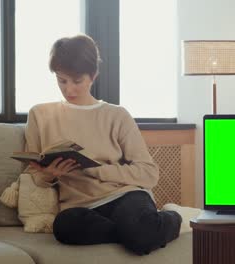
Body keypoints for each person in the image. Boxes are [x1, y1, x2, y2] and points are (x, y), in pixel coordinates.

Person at [24, 34, 182, 255]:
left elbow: (149, 173)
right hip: (81, 207)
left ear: (94, 75)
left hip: (124, 196)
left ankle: (172, 217)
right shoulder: (39, 114)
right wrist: (49, 175)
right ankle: (136, 230)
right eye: (62, 80)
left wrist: (97, 170)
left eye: (77, 81)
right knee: (64, 227)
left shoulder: (116, 115)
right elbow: (33, 174)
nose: (69, 89)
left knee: (141, 237)